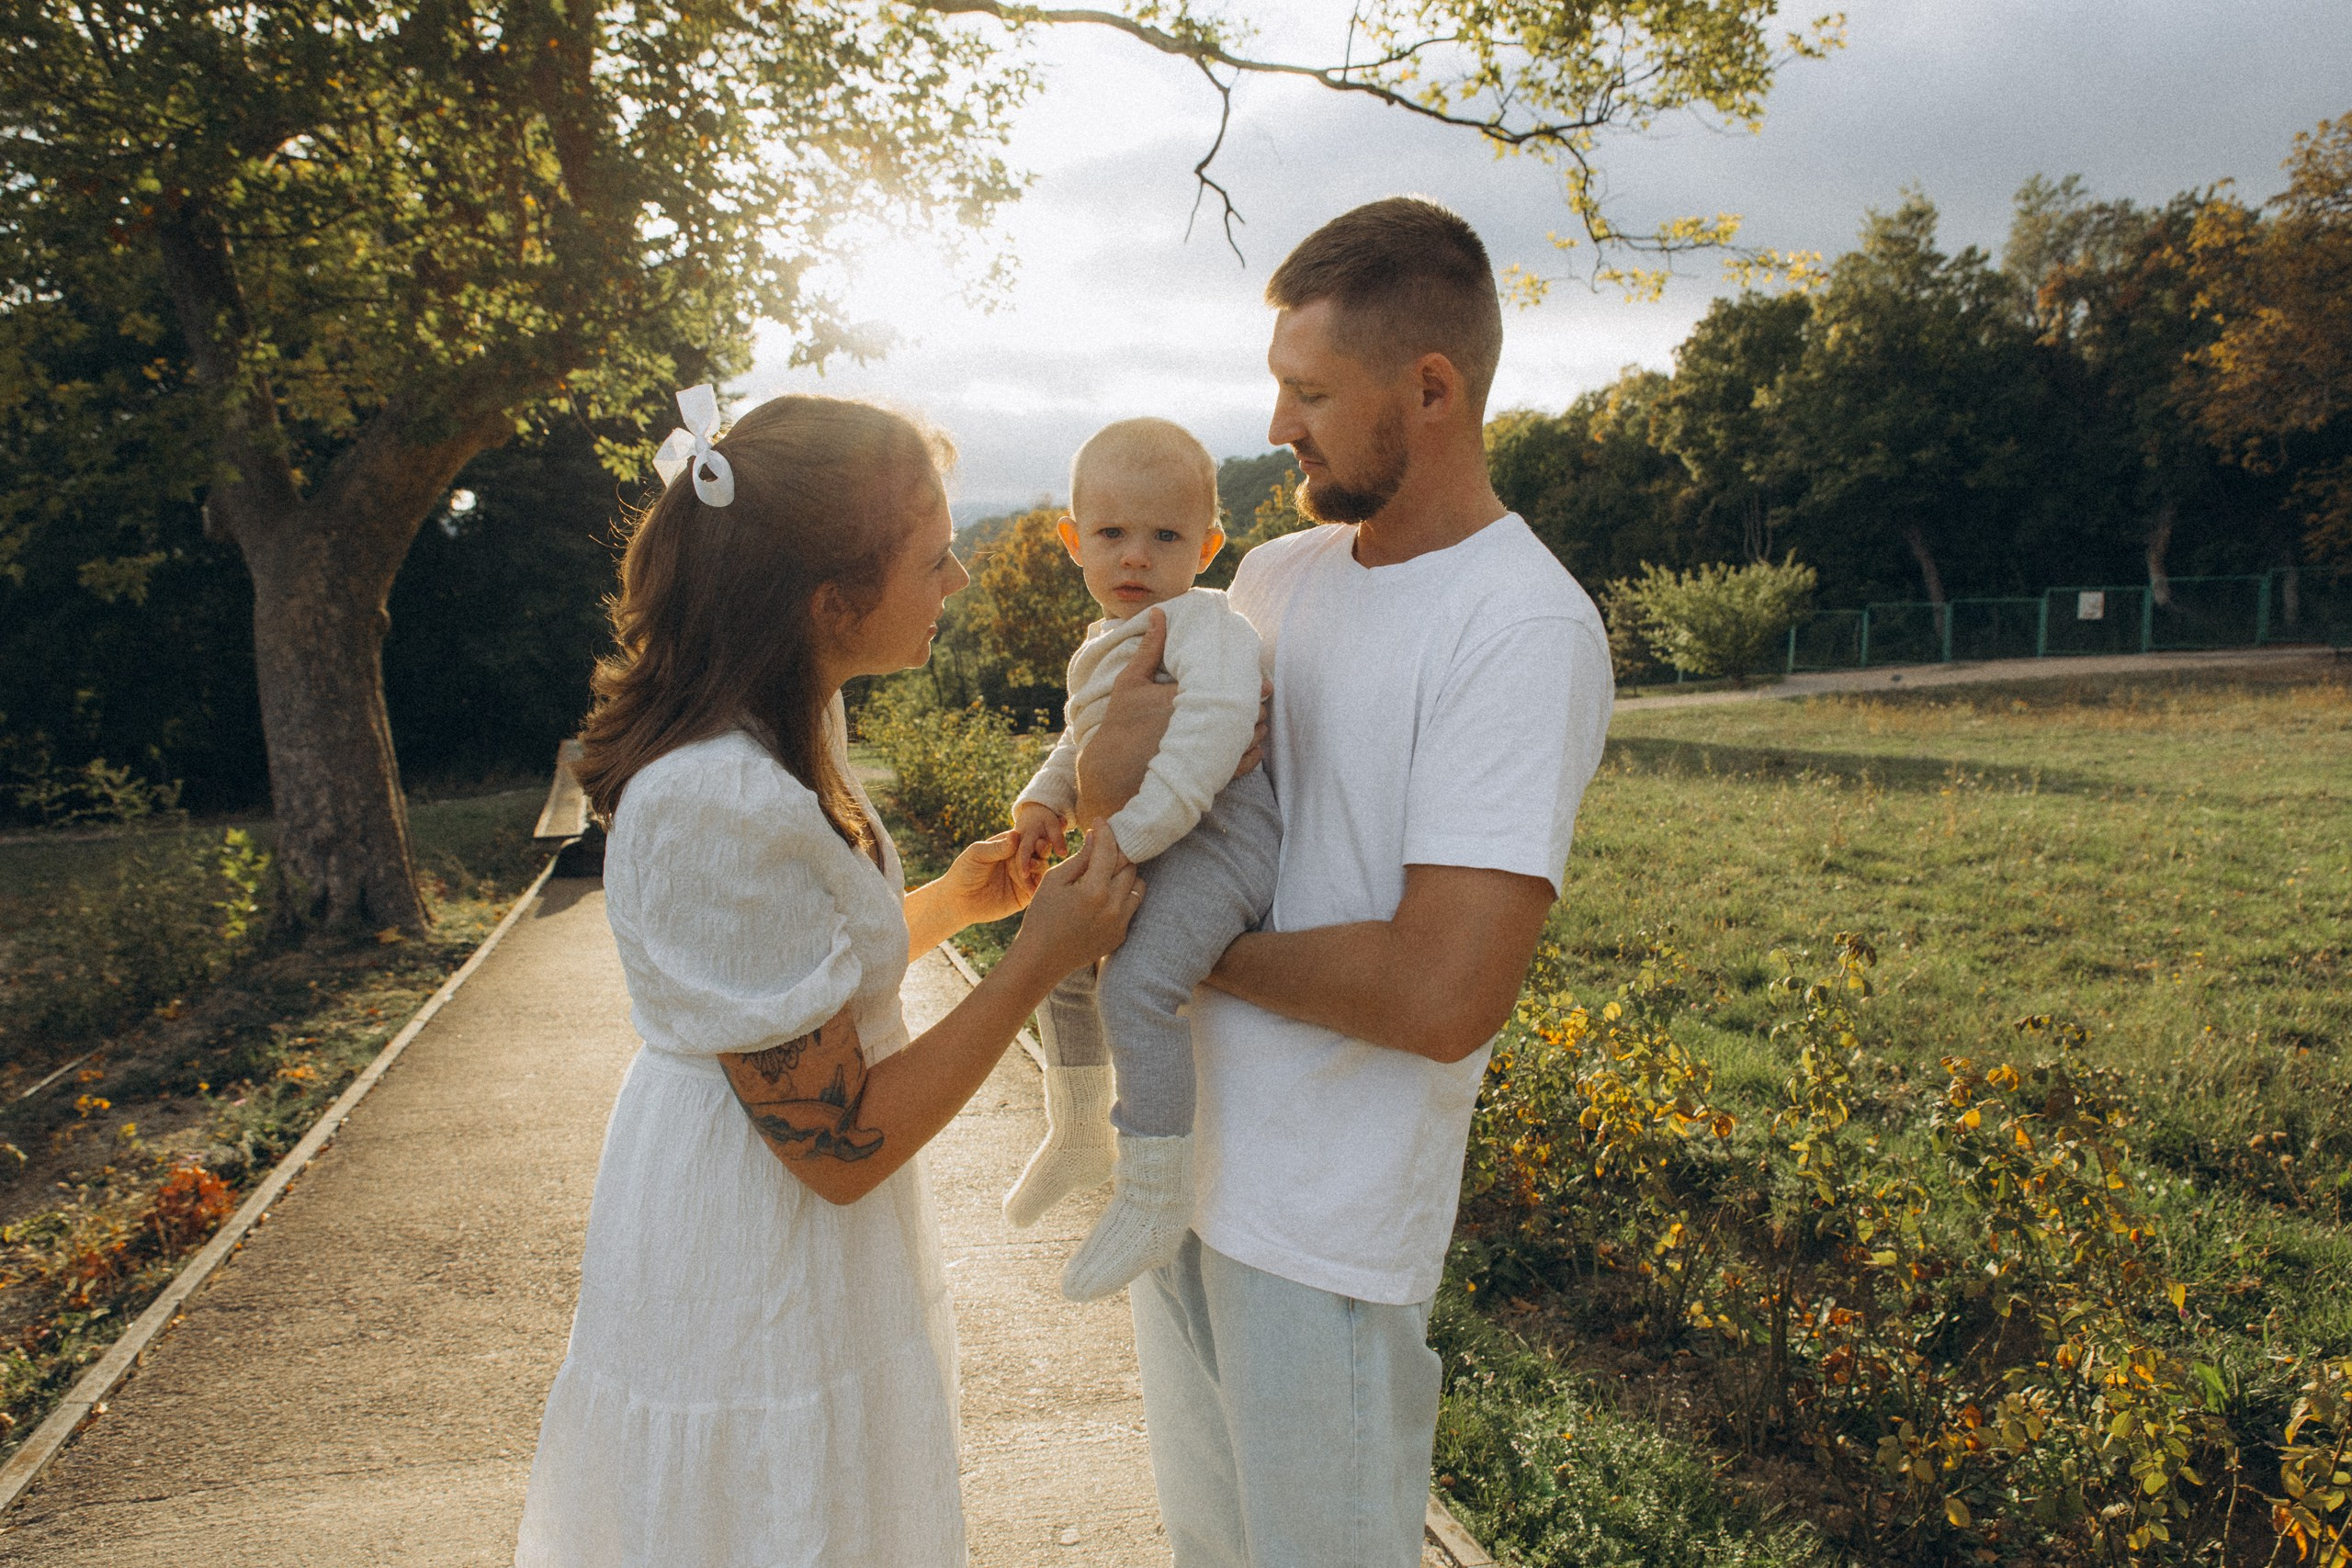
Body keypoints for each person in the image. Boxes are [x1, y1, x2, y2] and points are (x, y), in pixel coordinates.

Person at [514, 390, 1142, 1568]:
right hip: (752, 1245)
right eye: (937, 557)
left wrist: (956, 905)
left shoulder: (789, 727)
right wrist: (1034, 963)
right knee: (774, 1515)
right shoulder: (716, 798)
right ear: (828, 602)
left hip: (785, 1222)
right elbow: (837, 1140)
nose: (956, 583)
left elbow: (802, 985)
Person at [1078, 198, 1614, 1566]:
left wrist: (1180, 949)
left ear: (1430, 388)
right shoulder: (1268, 573)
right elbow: (1140, 792)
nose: (1276, 426)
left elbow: (1446, 991)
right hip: (1183, 1168)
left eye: (1309, 391)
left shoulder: (1522, 624)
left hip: (1323, 1232)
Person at [999, 417, 1276, 1303]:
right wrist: (1049, 798)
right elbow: (1089, 736)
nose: (1136, 556)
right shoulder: (1107, 635)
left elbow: (1214, 731)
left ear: (1208, 545)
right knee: (1058, 955)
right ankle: (1080, 1130)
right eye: (1112, 534)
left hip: (1221, 844)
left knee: (1135, 984)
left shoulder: (1205, 622)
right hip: (1156, 833)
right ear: (1074, 541)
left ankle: (1156, 1190)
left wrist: (1132, 827)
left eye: (1166, 536)